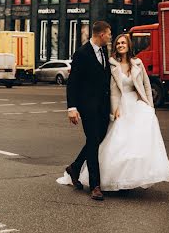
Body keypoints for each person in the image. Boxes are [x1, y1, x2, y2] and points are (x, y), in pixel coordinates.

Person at [58, 33, 169, 195]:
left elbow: (146, 86)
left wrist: (149, 106)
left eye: (123, 42)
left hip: (137, 106)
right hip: (118, 106)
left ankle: (129, 176)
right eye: (118, 43)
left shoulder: (138, 63)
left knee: (136, 142)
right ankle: (98, 177)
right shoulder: (111, 63)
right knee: (111, 141)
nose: (120, 45)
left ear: (129, 45)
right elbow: (106, 87)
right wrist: (109, 107)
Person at [59, 20, 112, 201]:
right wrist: (72, 108)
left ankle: (75, 167)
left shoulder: (105, 51)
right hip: (88, 107)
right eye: (109, 34)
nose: (110, 37)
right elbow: (73, 83)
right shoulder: (81, 53)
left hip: (104, 107)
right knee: (93, 141)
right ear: (101, 35)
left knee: (96, 140)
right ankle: (95, 186)